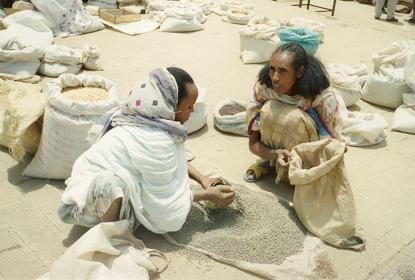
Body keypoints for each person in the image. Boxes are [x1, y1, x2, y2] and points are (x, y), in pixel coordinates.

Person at [58, 67, 235, 234]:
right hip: (86, 203)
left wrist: (203, 179)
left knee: (125, 184)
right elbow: (164, 210)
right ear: (170, 106)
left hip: (112, 190)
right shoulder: (154, 140)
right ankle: (109, 236)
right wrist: (207, 195)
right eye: (189, 107)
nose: (192, 111)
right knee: (110, 184)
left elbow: (175, 159)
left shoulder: (147, 121)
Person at [244, 43, 341, 183]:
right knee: (270, 110)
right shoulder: (264, 89)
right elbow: (253, 143)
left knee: (293, 119)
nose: (275, 78)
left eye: (283, 71)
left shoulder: (320, 98)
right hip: (274, 153)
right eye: (272, 69)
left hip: (308, 154)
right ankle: (272, 164)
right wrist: (273, 154)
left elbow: (326, 148)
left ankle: (298, 170)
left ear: (300, 72)